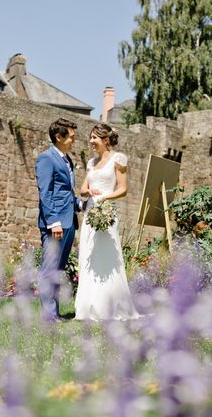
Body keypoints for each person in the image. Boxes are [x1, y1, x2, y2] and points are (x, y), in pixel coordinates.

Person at [74, 123, 140, 321]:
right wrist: (89, 192)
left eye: (95, 137)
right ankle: (88, 306)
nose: (91, 141)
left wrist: (104, 198)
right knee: (89, 255)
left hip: (107, 213)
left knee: (108, 256)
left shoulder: (118, 159)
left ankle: (110, 306)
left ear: (105, 140)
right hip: (90, 215)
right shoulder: (91, 163)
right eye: (91, 137)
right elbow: (83, 190)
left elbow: (123, 189)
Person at [35, 118, 81, 322]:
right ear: (58, 136)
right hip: (55, 225)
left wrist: (83, 205)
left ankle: (55, 313)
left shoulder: (66, 160)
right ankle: (48, 316)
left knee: (57, 270)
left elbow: (66, 193)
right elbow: (45, 193)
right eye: (71, 137)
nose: (74, 140)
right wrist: (53, 222)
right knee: (49, 270)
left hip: (69, 221)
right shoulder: (46, 159)